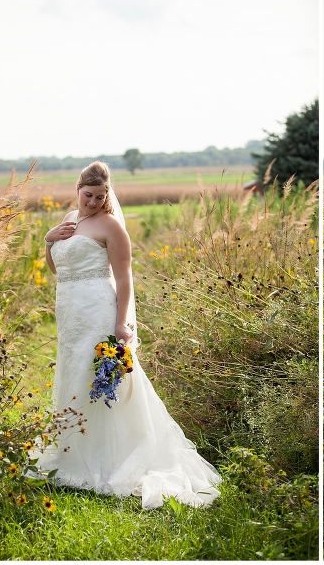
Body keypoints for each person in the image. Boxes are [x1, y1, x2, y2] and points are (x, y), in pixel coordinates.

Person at [37, 161, 221, 510]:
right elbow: (59, 269)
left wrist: (122, 324)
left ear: (108, 195)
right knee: (73, 374)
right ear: (78, 189)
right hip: (69, 313)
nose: (92, 202)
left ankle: (113, 455)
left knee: (103, 379)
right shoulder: (69, 221)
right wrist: (49, 241)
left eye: (99, 196)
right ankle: (73, 450)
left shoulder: (112, 227)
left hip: (97, 310)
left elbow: (124, 279)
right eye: (88, 195)